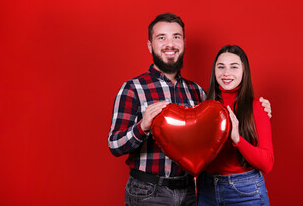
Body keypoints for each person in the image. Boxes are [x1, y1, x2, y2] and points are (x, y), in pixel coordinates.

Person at [108, 13, 272, 206]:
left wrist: (259, 108)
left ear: (184, 43)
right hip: (149, 192)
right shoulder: (133, 89)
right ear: (150, 45)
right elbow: (115, 145)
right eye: (161, 37)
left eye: (176, 37)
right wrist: (142, 126)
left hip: (190, 192)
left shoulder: (197, 93)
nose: (170, 44)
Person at [197, 45, 274, 206]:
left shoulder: (257, 107)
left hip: (246, 192)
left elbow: (267, 164)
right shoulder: (204, 107)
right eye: (221, 67)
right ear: (214, 71)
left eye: (234, 67)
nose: (226, 73)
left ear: (244, 71)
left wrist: (237, 138)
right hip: (207, 190)